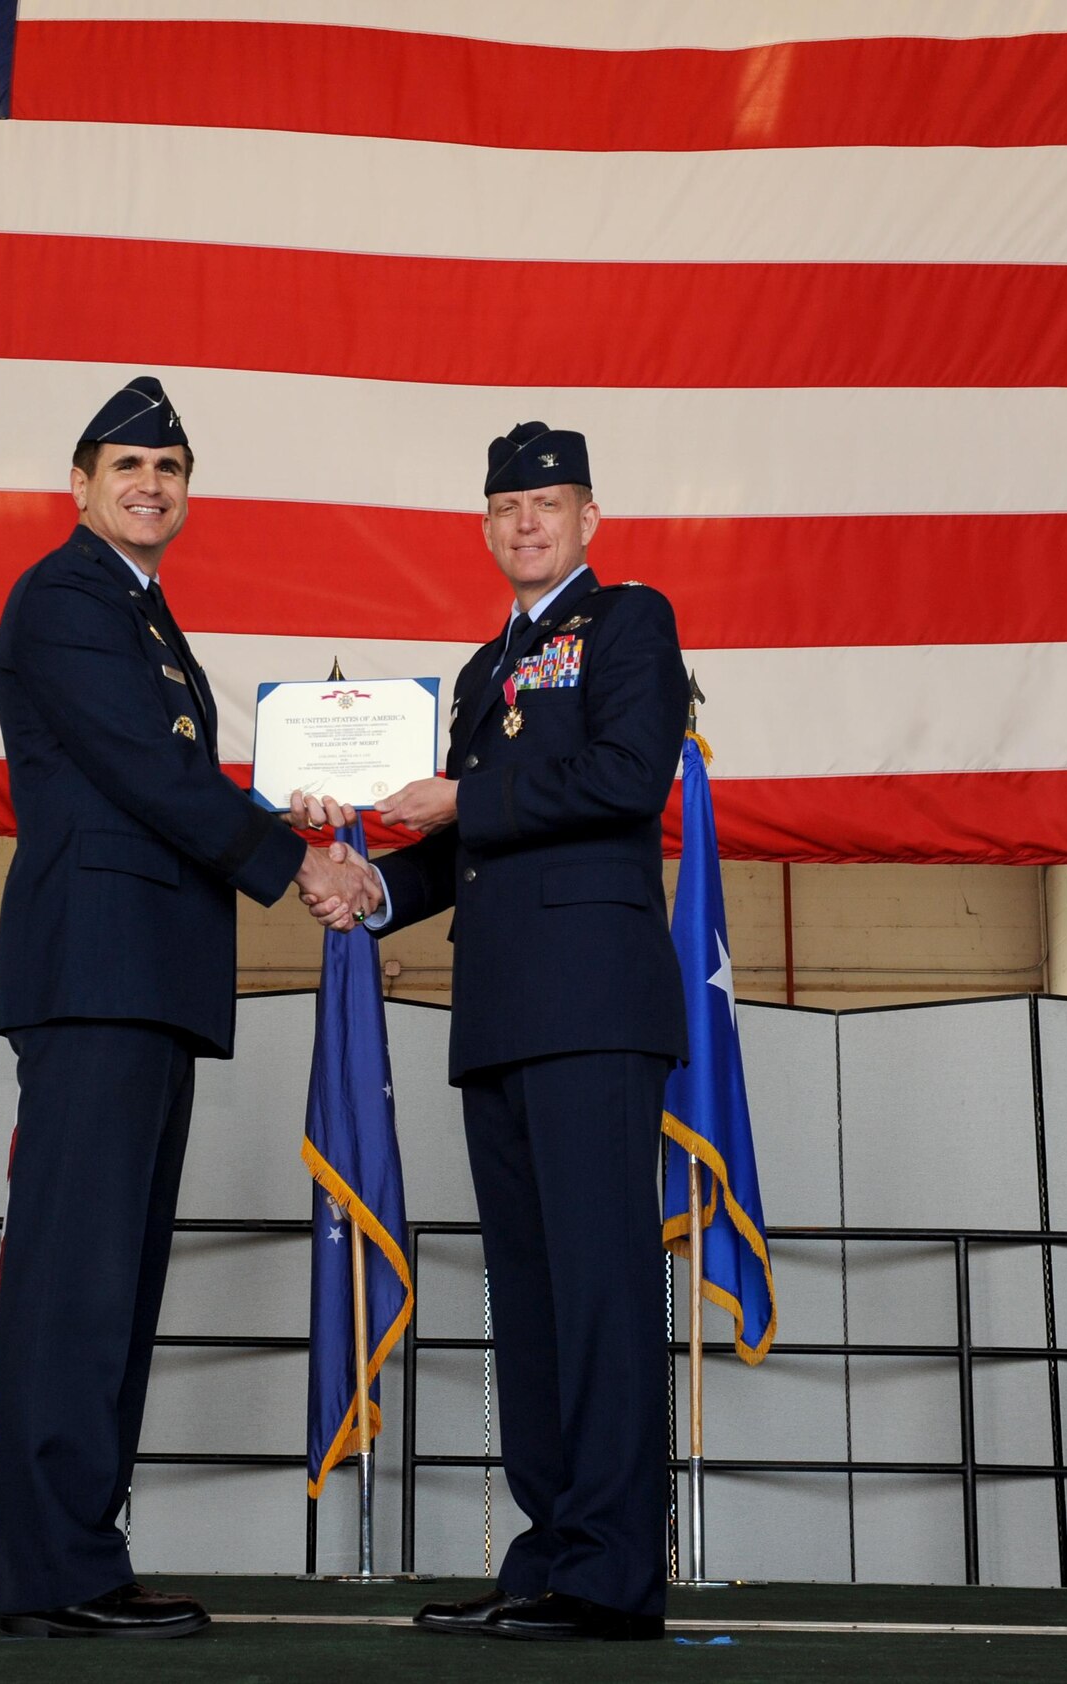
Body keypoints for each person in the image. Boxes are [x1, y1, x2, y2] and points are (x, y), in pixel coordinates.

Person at [0, 375, 380, 1640]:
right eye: (126, 467)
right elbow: (147, 772)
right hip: (96, 975)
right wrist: (292, 863)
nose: (150, 485)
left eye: (169, 467)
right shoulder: (64, 599)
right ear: (81, 484)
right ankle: (53, 1573)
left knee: (116, 1284)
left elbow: (166, 781)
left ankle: (81, 1555)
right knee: (75, 1284)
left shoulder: (141, 614)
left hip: (143, 978)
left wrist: (289, 817)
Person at [296, 421, 687, 1641]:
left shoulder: (629, 624)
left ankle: (613, 1572)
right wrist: (372, 890)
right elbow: (465, 852)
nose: (527, 521)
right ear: (484, 527)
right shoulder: (476, 674)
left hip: (592, 1004)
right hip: (501, 1012)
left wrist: (466, 796)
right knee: (527, 1295)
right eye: (507, 505)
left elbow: (626, 776)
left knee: (601, 1290)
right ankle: (548, 1551)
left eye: (549, 502)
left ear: (587, 520)